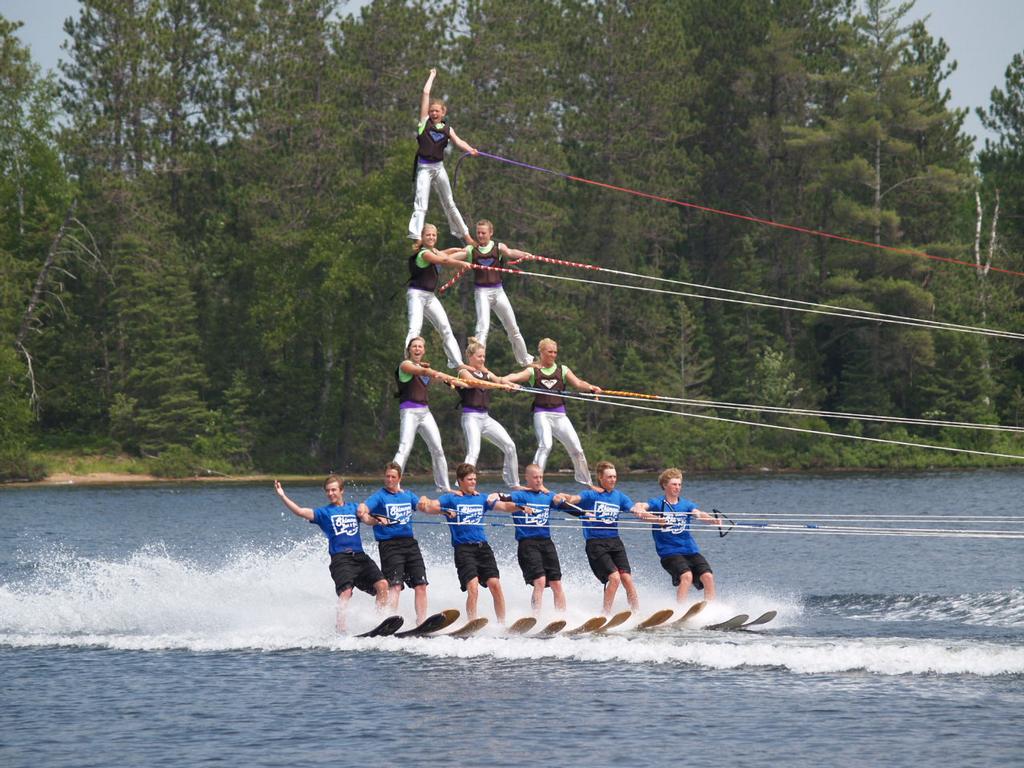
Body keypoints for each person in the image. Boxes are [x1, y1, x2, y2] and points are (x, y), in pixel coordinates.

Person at [274, 476, 387, 633]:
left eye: (334, 490)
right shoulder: (324, 513)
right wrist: (282, 495)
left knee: (383, 585)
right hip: (341, 559)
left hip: (360, 557)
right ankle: (340, 628)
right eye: (328, 491)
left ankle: (380, 622)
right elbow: (300, 511)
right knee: (346, 592)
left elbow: (367, 519)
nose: (330, 493)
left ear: (341, 490)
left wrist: (377, 520)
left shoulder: (354, 508)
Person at [505, 337, 600, 486]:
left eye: (555, 352)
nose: (553, 355)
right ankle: (535, 483)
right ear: (541, 352)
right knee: (546, 445)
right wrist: (503, 381)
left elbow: (579, 383)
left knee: (577, 449)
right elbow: (514, 377)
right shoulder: (533, 371)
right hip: (542, 414)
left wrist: (591, 388)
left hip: (560, 415)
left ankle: (586, 482)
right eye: (550, 352)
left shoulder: (563, 370)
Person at [419, 462, 506, 624]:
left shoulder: (481, 498)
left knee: (495, 585)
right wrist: (428, 502)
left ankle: (502, 624)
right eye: (469, 479)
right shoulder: (450, 499)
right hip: (463, 550)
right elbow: (427, 507)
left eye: (474, 479)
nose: (473, 482)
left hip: (483, 548)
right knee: (473, 588)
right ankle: (471, 623)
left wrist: (515, 504)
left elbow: (505, 506)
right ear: (460, 481)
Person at [554, 461, 640, 615]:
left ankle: (637, 613)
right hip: (596, 544)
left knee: (627, 578)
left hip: (615, 543)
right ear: (600, 478)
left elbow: (632, 508)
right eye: (609, 477)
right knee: (614, 578)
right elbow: (573, 499)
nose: (613, 480)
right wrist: (563, 496)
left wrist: (641, 511)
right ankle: (605, 614)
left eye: (614, 476)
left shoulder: (620, 497)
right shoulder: (590, 495)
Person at [407, 68, 477, 246]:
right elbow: (425, 93)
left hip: (438, 168)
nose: (433, 113)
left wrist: (471, 150)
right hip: (424, 168)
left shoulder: (447, 129)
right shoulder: (424, 124)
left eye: (437, 111)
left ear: (443, 112)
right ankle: (416, 237)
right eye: (431, 111)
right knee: (421, 203)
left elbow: (459, 142)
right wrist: (431, 75)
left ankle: (466, 236)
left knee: (450, 203)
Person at [632, 468, 721, 603]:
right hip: (669, 553)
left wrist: (712, 520)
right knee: (687, 576)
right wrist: (644, 511)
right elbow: (641, 506)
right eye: (674, 484)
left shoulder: (686, 505)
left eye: (679, 484)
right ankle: (680, 609)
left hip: (690, 550)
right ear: (664, 485)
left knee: (708, 576)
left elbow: (698, 513)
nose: (677, 487)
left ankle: (711, 608)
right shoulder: (657, 503)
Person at [488, 463, 567, 615]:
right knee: (540, 581)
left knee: (556, 583)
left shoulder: (547, 496)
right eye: (535, 477)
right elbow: (504, 497)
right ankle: (536, 617)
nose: (539, 480)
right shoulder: (520, 495)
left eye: (541, 477)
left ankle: (562, 617)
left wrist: (584, 514)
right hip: (528, 544)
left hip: (546, 543)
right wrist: (495, 495)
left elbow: (567, 507)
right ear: (527, 478)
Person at [359, 462, 431, 625]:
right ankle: (389, 620)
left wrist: (426, 500)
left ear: (399, 478)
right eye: (387, 476)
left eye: (393, 477)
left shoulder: (408, 495)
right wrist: (370, 516)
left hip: (410, 544)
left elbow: (422, 505)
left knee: (421, 584)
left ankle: (422, 622)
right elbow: (364, 509)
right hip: (389, 546)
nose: (389, 479)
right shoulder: (379, 496)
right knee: (395, 586)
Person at [394, 336, 466, 492]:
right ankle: (394, 485)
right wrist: (443, 375)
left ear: (424, 350)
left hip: (425, 412)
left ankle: (444, 487)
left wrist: (457, 381)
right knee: (404, 447)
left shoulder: (425, 371)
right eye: (414, 346)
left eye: (420, 346)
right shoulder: (405, 365)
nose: (418, 349)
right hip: (409, 412)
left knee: (438, 449)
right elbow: (424, 371)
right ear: (409, 350)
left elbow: (439, 379)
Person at [466, 219, 534, 366]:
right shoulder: (471, 250)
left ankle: (526, 360)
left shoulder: (498, 247)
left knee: (513, 328)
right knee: (482, 327)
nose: (480, 235)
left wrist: (524, 254)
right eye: (478, 233)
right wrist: (440, 258)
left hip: (498, 291)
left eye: (483, 233)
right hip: (482, 292)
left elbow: (510, 252)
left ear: (491, 233)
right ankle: (477, 362)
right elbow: (455, 256)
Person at [457, 336, 521, 488]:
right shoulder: (463, 371)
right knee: (474, 451)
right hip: (470, 417)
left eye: (484, 356)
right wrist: (499, 386)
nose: (482, 359)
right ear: (470, 357)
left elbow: (498, 379)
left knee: (510, 446)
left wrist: (511, 385)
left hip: (485, 418)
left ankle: (514, 483)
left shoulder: (486, 372)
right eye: (479, 356)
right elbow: (476, 384)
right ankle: (461, 484)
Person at [406, 222, 469, 370]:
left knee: (445, 328)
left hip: (429, 296)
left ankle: (457, 363)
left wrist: (464, 251)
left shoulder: (433, 250)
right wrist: (461, 263)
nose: (431, 237)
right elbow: (444, 260)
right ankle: (408, 360)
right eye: (428, 235)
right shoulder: (424, 253)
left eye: (434, 235)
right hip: (416, 295)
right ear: (422, 237)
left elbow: (445, 254)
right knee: (415, 328)